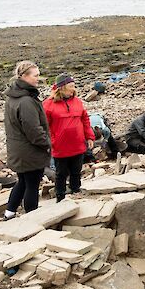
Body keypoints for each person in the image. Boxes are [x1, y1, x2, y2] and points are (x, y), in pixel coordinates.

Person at [4, 61, 51, 218]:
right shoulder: (26, 101)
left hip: (19, 150)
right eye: (35, 75)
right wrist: (47, 144)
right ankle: (31, 219)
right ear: (24, 76)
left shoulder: (13, 96)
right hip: (29, 152)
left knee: (23, 181)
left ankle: (9, 213)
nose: (38, 78)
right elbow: (34, 131)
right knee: (32, 184)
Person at [43, 73, 95, 202]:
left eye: (74, 86)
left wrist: (89, 137)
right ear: (62, 87)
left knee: (76, 171)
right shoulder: (48, 104)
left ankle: (76, 191)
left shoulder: (77, 101)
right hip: (60, 146)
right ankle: (60, 196)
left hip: (77, 144)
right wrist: (49, 142)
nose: (73, 89)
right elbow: (43, 126)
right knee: (61, 173)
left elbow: (85, 120)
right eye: (71, 86)